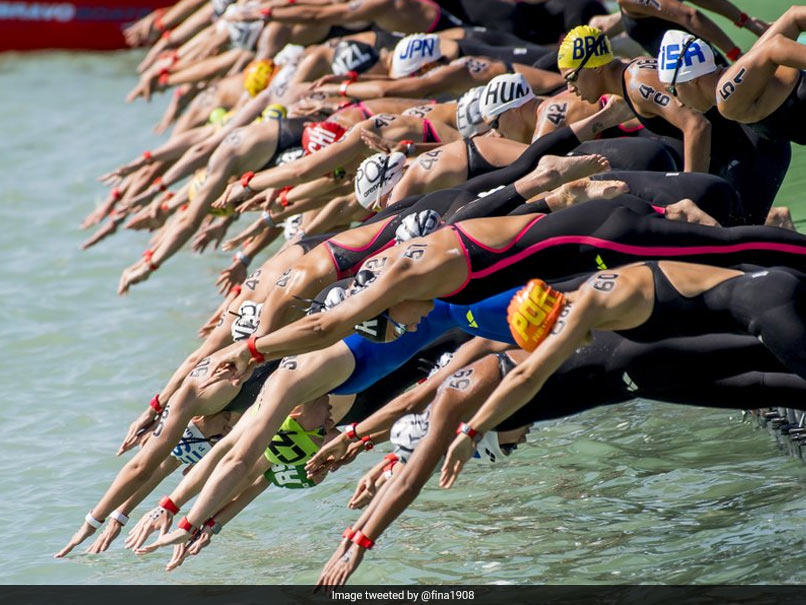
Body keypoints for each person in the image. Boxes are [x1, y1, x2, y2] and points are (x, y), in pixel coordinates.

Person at [440, 261, 806, 489]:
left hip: (765, 307)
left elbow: (526, 377)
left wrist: (471, 431)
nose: (522, 441)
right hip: (761, 306)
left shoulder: (589, 302)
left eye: (510, 446)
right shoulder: (592, 298)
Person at [553, 26, 791, 223]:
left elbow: (696, 125)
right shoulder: (631, 79)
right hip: (740, 150)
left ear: (595, 67)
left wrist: (689, 191)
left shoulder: (637, 83)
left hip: (754, 150)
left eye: (572, 78)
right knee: (730, 232)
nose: (570, 89)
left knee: (738, 237)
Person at [657, 13, 806, 145]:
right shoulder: (737, 78)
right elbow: (793, 17)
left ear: (692, 80)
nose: (678, 102)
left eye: (672, 90)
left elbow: (774, 48)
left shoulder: (725, 97)